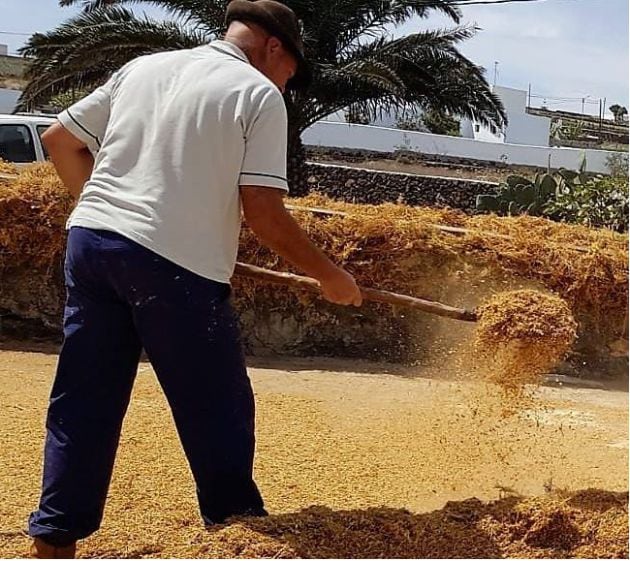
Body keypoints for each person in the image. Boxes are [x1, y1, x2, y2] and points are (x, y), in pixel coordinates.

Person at [28, 1, 362, 557]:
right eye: (290, 71)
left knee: (85, 395)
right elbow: (262, 210)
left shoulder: (146, 66)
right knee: (215, 401)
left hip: (90, 245)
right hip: (173, 267)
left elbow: (60, 139)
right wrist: (331, 275)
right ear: (273, 47)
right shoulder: (257, 94)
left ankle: (56, 535)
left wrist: (108, 214)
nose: (287, 82)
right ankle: (237, 532)